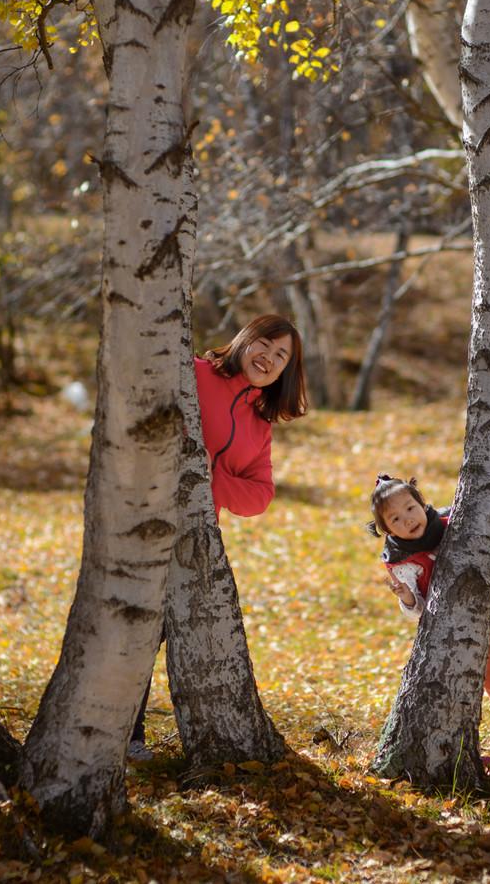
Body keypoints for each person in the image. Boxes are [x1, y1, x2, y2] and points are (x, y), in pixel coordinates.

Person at [128, 315, 308, 760]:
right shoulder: (192, 373)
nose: (269, 358)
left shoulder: (259, 423)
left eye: (281, 355)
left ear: (286, 370)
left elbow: (260, 495)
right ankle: (123, 735)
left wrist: (212, 480)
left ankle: (130, 732)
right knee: (131, 627)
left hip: (196, 538)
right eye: (264, 345)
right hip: (140, 518)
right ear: (245, 341)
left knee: (160, 633)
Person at [368, 472, 490, 767]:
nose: (407, 519)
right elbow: (415, 609)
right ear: (387, 531)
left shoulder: (453, 520)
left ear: (422, 503)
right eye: (395, 519)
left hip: (475, 613)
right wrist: (405, 596)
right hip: (438, 629)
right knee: (448, 685)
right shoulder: (398, 560)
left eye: (410, 508)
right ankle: (459, 747)